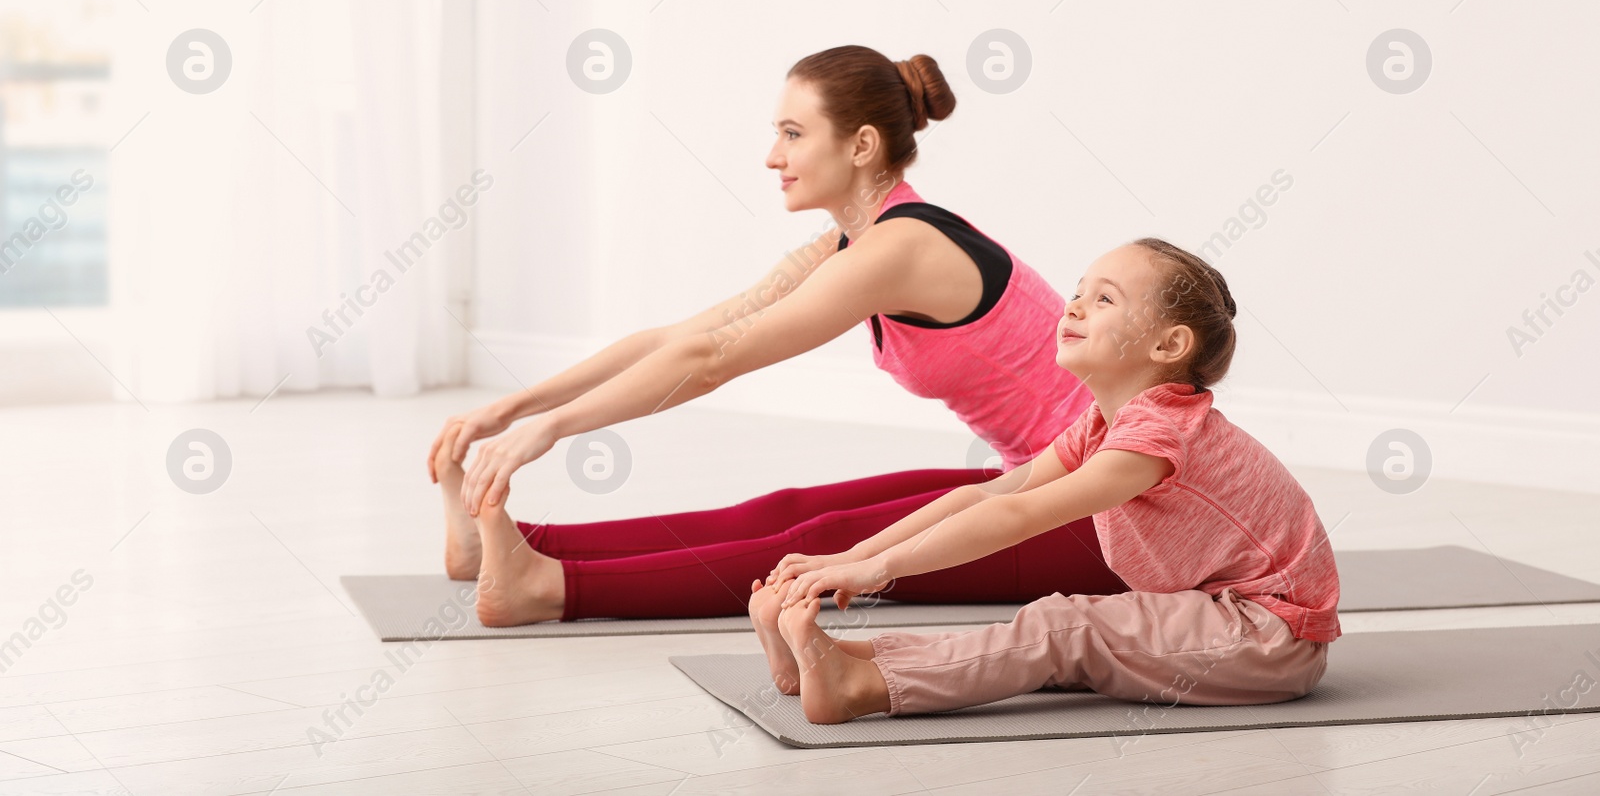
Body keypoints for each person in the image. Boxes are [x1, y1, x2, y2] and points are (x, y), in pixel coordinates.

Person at [426, 44, 1129, 625]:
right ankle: (514, 549)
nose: (772, 155)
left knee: (824, 542)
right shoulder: (854, 243)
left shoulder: (898, 248)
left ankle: (548, 586)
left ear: (860, 145)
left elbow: (708, 364)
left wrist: (550, 430)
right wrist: (511, 410)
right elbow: (685, 336)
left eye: (793, 133)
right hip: (1049, 480)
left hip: (1114, 518)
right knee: (796, 509)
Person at [755, 238, 1339, 722]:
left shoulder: (1159, 435)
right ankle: (829, 660)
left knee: (1064, 628)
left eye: (1104, 299)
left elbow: (1016, 517)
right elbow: (985, 494)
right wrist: (849, 556)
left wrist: (876, 572)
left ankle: (860, 687)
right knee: (1056, 630)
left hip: (1271, 639)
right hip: (1218, 615)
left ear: (1169, 345)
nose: (1074, 307)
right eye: (1078, 292)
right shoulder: (1101, 426)